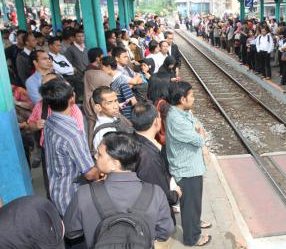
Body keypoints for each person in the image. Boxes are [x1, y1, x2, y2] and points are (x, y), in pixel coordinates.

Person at [64, 132, 175, 248]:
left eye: (100, 154)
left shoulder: (84, 194)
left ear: (115, 163)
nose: (95, 156)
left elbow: (71, 232)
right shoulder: (155, 193)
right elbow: (164, 232)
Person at [41, 78, 100, 215]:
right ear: (71, 100)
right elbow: (90, 173)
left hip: (57, 190)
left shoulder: (49, 121)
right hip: (72, 198)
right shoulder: (72, 134)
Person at [166, 81, 212, 246]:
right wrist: (199, 133)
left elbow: (197, 124)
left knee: (194, 201)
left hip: (191, 166)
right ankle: (192, 238)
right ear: (181, 99)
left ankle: (194, 222)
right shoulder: (176, 119)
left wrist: (198, 130)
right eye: (191, 96)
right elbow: (198, 138)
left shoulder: (182, 112)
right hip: (186, 170)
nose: (194, 98)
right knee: (190, 203)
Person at [132, 102, 182, 223]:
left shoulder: (133, 139)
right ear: (156, 121)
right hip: (154, 219)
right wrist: (175, 194)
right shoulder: (148, 157)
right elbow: (158, 192)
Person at [83, 47, 112, 145]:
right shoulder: (94, 71)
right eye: (101, 56)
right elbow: (107, 81)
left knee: (92, 124)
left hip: (88, 100)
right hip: (95, 101)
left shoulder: (88, 69)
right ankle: (94, 147)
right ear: (97, 58)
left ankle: (91, 146)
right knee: (96, 125)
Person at [91, 86, 133, 153]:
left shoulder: (115, 116)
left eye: (116, 101)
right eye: (109, 103)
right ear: (99, 107)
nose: (115, 106)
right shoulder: (103, 134)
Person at [48, 36, 83, 101]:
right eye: (57, 45)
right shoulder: (48, 57)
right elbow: (59, 70)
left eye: (60, 45)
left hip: (71, 77)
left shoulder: (61, 56)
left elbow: (70, 66)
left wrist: (70, 70)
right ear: (50, 46)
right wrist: (71, 70)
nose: (59, 47)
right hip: (61, 78)